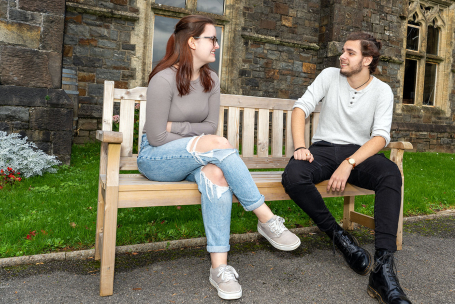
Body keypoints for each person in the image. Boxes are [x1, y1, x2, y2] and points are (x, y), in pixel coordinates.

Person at [137, 15, 300, 300]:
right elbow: (156, 138)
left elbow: (209, 128)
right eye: (212, 39)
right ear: (191, 42)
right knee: (218, 143)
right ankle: (265, 218)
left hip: (194, 155)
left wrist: (177, 128)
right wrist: (199, 141)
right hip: (157, 159)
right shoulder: (163, 80)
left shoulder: (211, 80)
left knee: (217, 173)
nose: (217, 45)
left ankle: (219, 268)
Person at [281, 32, 412, 304]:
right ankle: (339, 237)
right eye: (344, 50)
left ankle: (383, 268)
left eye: (350, 52)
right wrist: (299, 147)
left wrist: (349, 163)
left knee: (390, 174)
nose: (342, 56)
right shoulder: (329, 76)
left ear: (367, 59)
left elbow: (380, 137)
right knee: (294, 176)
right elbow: (300, 108)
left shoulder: (381, 91)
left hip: (358, 154)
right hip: (324, 150)